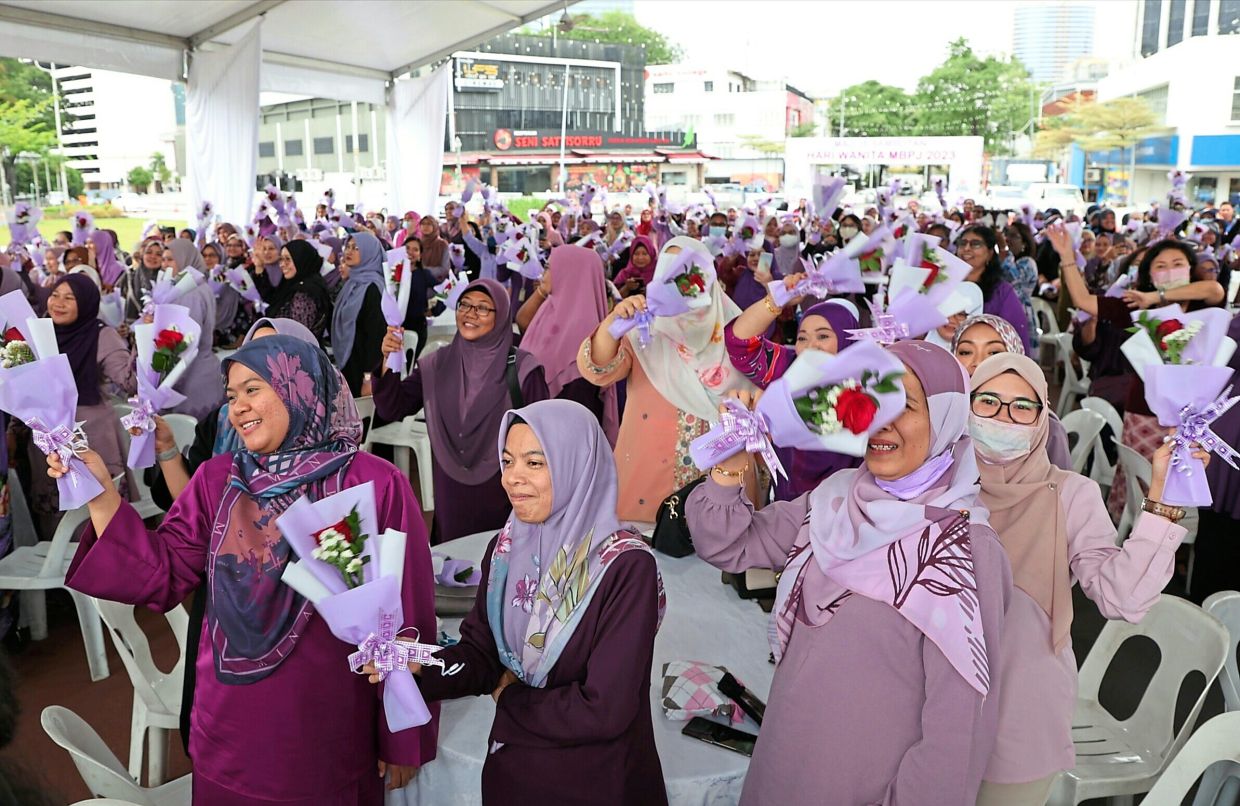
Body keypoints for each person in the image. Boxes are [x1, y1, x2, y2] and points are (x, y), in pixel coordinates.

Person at [59, 335, 438, 804]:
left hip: (328, 731)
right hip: (229, 729)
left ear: (299, 387)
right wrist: (101, 496)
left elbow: (407, 614)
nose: (238, 407)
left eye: (253, 389)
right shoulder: (217, 479)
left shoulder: (371, 482)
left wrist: (401, 734)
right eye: (232, 395)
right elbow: (162, 573)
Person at [685, 341, 1012, 805]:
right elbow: (725, 544)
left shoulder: (962, 551)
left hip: (861, 785)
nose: (882, 420)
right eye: (875, 401)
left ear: (946, 419)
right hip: (785, 758)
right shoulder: (834, 502)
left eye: (905, 406)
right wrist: (728, 465)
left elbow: (958, 736)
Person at [375, 400, 667, 805]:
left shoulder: (624, 569)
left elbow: (605, 708)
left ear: (577, 467)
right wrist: (423, 666)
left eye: (534, 463)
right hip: (514, 774)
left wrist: (509, 698)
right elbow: (480, 653)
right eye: (508, 461)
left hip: (594, 783)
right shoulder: (505, 550)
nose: (513, 478)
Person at [969, 353, 1197, 806]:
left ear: (1041, 419)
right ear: (966, 406)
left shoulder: (1072, 494)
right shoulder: (937, 484)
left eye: (1022, 407)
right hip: (927, 701)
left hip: (1019, 707)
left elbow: (1122, 597)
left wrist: (1163, 502)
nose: (1004, 418)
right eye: (988, 402)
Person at [578, 236, 757, 522]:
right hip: (649, 477)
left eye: (688, 270)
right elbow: (598, 370)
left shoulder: (735, 329)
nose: (679, 282)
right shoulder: (643, 330)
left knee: (720, 548)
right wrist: (612, 325)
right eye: (669, 271)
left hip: (720, 473)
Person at [1052, 228, 1225, 519]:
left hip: (1194, 418)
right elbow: (1083, 300)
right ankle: (1136, 535)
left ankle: (1177, 546)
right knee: (1142, 482)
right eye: (1160, 266)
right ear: (1148, 273)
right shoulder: (1133, 305)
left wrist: (1155, 296)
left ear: (1191, 269)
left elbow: (1215, 290)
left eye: (1177, 263)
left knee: (1188, 484)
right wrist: (1068, 256)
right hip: (1144, 412)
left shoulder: (1200, 302)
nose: (1170, 270)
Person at [373, 278, 548, 542]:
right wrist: (389, 359)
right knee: (454, 567)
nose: (470, 314)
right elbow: (392, 407)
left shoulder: (523, 370)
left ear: (500, 316)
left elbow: (543, 438)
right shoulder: (437, 364)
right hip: (451, 489)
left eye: (482, 308)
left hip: (504, 489)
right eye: (464, 305)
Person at [726, 281, 863, 498]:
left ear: (847, 339)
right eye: (802, 338)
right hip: (787, 507)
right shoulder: (788, 370)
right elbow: (739, 344)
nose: (810, 346)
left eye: (823, 336)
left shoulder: (869, 381)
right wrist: (775, 300)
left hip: (847, 506)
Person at [21, 274, 134, 539]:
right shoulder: (38, 333)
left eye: (69, 298)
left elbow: (130, 383)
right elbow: (25, 389)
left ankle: (108, 566)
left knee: (98, 510)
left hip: (91, 438)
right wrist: (17, 431)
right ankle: (64, 572)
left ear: (85, 303)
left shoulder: (101, 335)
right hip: (46, 440)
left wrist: (153, 348)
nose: (58, 303)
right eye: (55, 294)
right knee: (56, 511)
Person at [515, 245, 616, 436]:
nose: (543, 273)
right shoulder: (551, 309)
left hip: (565, 429)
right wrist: (542, 291)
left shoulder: (584, 327)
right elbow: (522, 321)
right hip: (538, 420)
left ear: (569, 272)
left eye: (549, 267)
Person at [951, 313, 1072, 471]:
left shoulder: (1045, 428)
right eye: (966, 352)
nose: (978, 363)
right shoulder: (941, 416)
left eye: (994, 353)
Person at [162, 239, 225, 420]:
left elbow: (185, 343)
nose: (165, 265)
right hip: (203, 371)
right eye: (164, 259)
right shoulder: (198, 286)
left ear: (185, 259)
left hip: (192, 380)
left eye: (170, 260)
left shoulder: (190, 293)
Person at [955, 225, 1032, 352]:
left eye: (975, 244)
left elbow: (1015, 335)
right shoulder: (947, 285)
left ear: (990, 253)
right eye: (962, 243)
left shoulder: (1002, 291)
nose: (967, 249)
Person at [331, 231, 387, 395]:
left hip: (363, 368)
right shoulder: (352, 283)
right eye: (348, 246)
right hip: (350, 362)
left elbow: (375, 337)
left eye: (356, 248)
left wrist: (368, 377)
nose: (349, 251)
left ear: (369, 253)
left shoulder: (373, 288)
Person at [265, 240, 331, 341]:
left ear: (301, 259)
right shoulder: (296, 285)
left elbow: (297, 335)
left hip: (298, 354)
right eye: (281, 259)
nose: (282, 264)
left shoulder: (305, 293)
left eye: (288, 259)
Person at [418, 214, 450, 280]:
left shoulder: (442, 244)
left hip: (436, 282)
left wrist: (424, 270)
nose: (425, 226)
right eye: (423, 224)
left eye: (429, 224)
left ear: (435, 226)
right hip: (418, 280)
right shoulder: (417, 242)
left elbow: (445, 269)